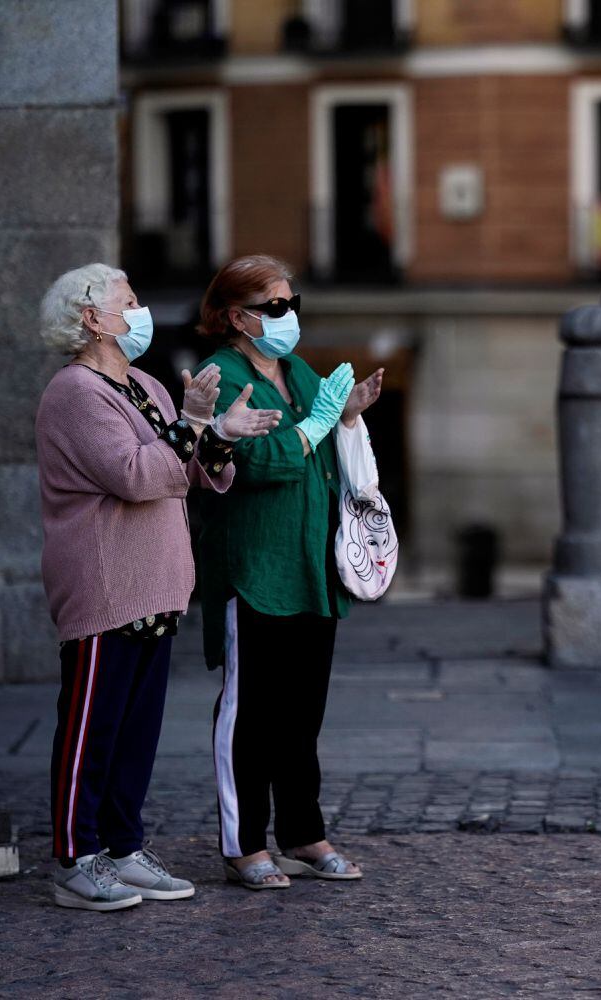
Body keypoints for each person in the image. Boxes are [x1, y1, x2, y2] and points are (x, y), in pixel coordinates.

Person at [35, 263, 281, 910]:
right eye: (130, 301)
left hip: (159, 583)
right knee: (91, 728)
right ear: (92, 318)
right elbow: (138, 475)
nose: (140, 312)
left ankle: (122, 846)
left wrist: (219, 434)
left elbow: (189, 471)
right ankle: (73, 857)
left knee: (135, 732)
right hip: (106, 584)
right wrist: (194, 421)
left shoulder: (143, 382)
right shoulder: (75, 394)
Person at [194, 255, 383, 890]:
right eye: (275, 307)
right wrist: (320, 423)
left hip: (312, 567)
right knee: (251, 713)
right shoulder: (220, 376)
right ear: (235, 316)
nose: (289, 315)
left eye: (292, 303)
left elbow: (322, 443)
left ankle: (303, 832)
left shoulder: (297, 369)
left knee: (304, 712)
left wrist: (347, 413)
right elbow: (256, 462)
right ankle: (244, 842)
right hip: (254, 568)